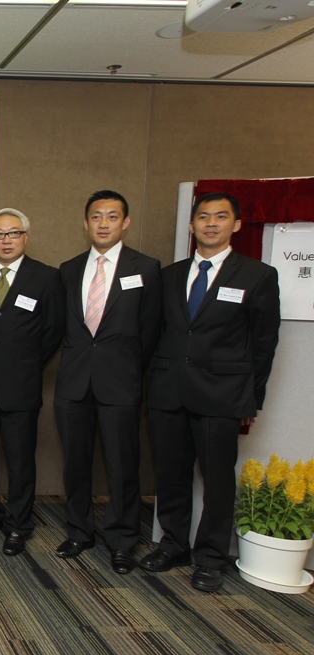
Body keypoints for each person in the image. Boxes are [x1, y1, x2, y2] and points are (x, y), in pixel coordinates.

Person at [142, 192, 280, 592]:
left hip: (222, 395)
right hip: (169, 392)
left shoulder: (256, 275)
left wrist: (250, 398)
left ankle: (211, 557)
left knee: (218, 480)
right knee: (170, 475)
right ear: (192, 225)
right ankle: (173, 545)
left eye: (221, 217)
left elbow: (263, 344)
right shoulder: (169, 275)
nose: (211, 223)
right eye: (203, 217)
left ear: (236, 225)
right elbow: (155, 334)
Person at [53, 190, 162, 574]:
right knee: (76, 464)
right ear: (85, 223)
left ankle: (121, 540)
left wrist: (128, 369)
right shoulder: (68, 269)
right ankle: (80, 531)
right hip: (74, 384)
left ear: (125, 223)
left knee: (122, 465)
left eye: (112, 217)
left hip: (121, 383)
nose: (103, 223)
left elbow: (150, 332)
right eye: (96, 217)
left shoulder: (146, 268)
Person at [0, 209, 64, 556]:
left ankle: (19, 524)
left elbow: (53, 330)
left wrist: (26, 363)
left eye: (13, 233)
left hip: (20, 383)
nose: (6, 240)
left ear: (26, 236)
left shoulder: (47, 278)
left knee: (21, 459)